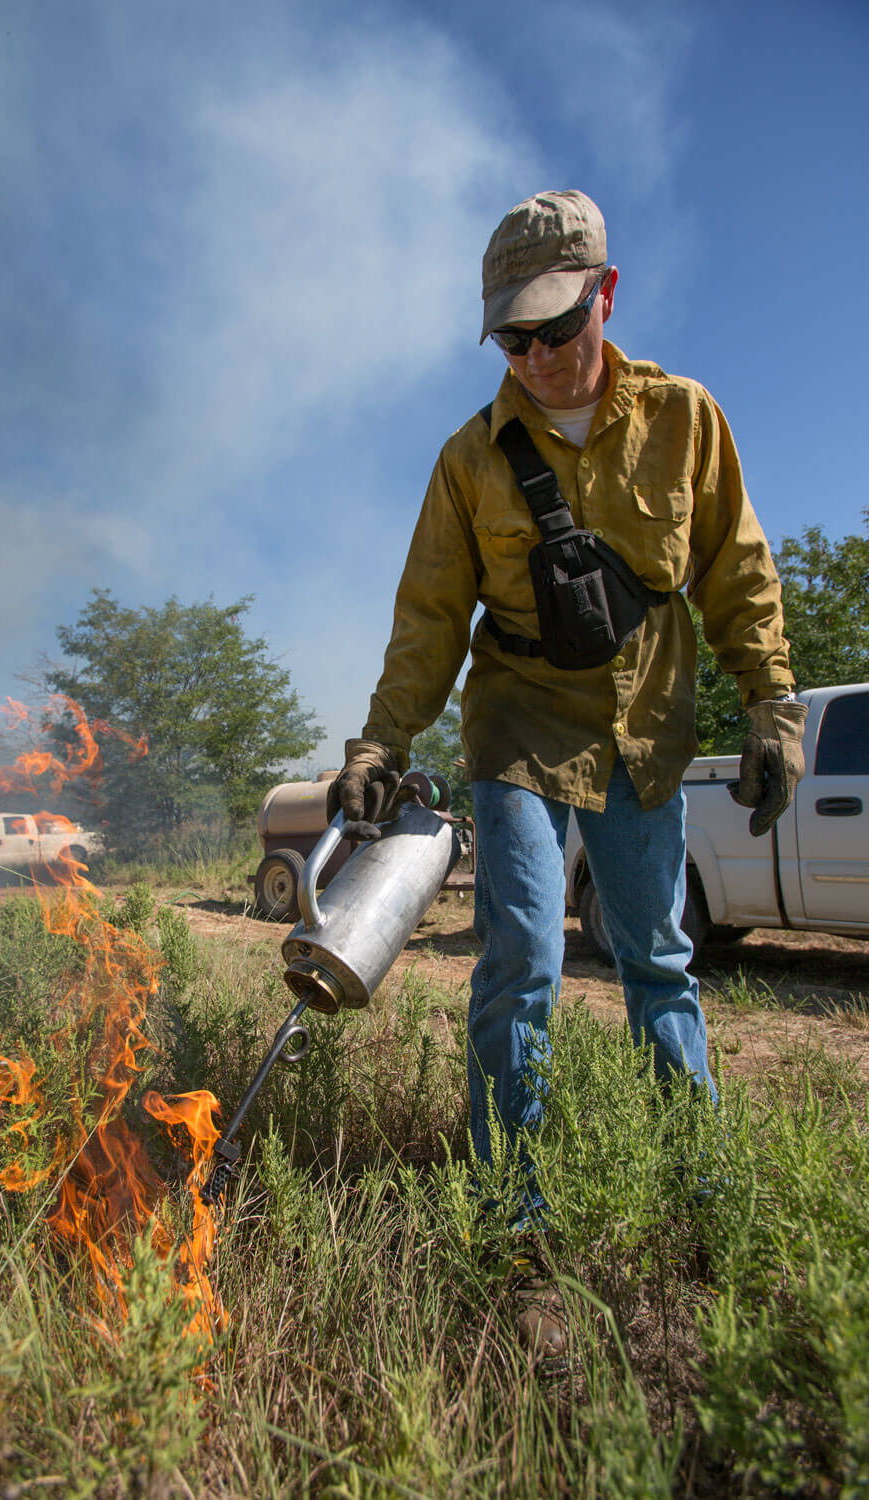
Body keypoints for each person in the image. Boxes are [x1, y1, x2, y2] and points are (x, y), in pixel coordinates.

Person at [328, 190, 806, 1356]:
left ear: (607, 294)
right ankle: (512, 1218)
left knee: (655, 961)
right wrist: (380, 744)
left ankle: (700, 1193)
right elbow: (429, 618)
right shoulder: (467, 461)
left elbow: (737, 569)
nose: (536, 357)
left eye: (554, 326)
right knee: (523, 960)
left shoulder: (686, 420)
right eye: (512, 337)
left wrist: (771, 702)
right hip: (518, 728)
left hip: (646, 730)